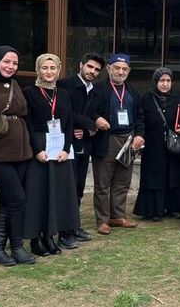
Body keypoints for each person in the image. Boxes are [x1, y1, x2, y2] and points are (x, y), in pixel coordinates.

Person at [22, 54, 81, 256]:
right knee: (39, 193)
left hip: (60, 147)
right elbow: (27, 123)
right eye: (45, 68)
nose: (49, 72)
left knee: (57, 193)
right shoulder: (29, 92)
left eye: (53, 68)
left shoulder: (63, 94)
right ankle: (35, 239)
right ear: (38, 70)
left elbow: (70, 122)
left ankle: (50, 235)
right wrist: (36, 150)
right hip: (39, 147)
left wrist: (66, 149)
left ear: (59, 70)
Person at [0, 46, 36, 266]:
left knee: (7, 200)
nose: (11, 67)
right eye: (7, 62)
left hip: (20, 153)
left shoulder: (14, 84)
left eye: (15, 63)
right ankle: (16, 246)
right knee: (17, 199)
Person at [91, 53, 143, 235]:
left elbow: (140, 116)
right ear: (109, 69)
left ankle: (118, 216)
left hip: (128, 139)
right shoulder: (98, 89)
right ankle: (103, 220)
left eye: (124, 69)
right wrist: (97, 119)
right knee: (103, 183)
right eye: (117, 68)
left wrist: (139, 135)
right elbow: (90, 111)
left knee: (122, 180)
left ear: (128, 71)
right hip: (107, 138)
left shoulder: (133, 91)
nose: (120, 72)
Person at [56, 52, 104, 243]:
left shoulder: (97, 91)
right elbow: (66, 113)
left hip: (84, 143)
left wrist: (86, 130)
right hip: (65, 144)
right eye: (90, 67)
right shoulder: (64, 85)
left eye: (97, 70)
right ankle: (62, 231)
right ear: (81, 65)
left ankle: (74, 226)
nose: (92, 71)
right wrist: (91, 125)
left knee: (79, 187)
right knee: (66, 187)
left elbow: (96, 114)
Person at [133, 67, 180, 221]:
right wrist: (140, 135)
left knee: (175, 176)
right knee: (154, 176)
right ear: (156, 82)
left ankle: (175, 208)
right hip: (153, 145)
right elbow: (140, 119)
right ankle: (155, 210)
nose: (165, 84)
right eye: (162, 81)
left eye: (168, 81)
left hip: (174, 145)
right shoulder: (146, 98)